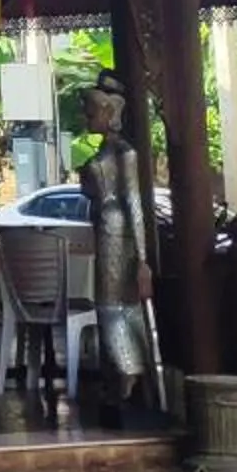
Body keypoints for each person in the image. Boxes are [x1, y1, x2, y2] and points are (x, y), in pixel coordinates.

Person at [77, 69, 158, 427]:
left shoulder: (124, 153)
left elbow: (135, 205)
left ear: (109, 113)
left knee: (115, 309)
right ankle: (120, 379)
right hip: (106, 230)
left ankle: (128, 376)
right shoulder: (106, 151)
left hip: (117, 235)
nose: (87, 118)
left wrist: (143, 259)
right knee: (110, 308)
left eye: (92, 112)